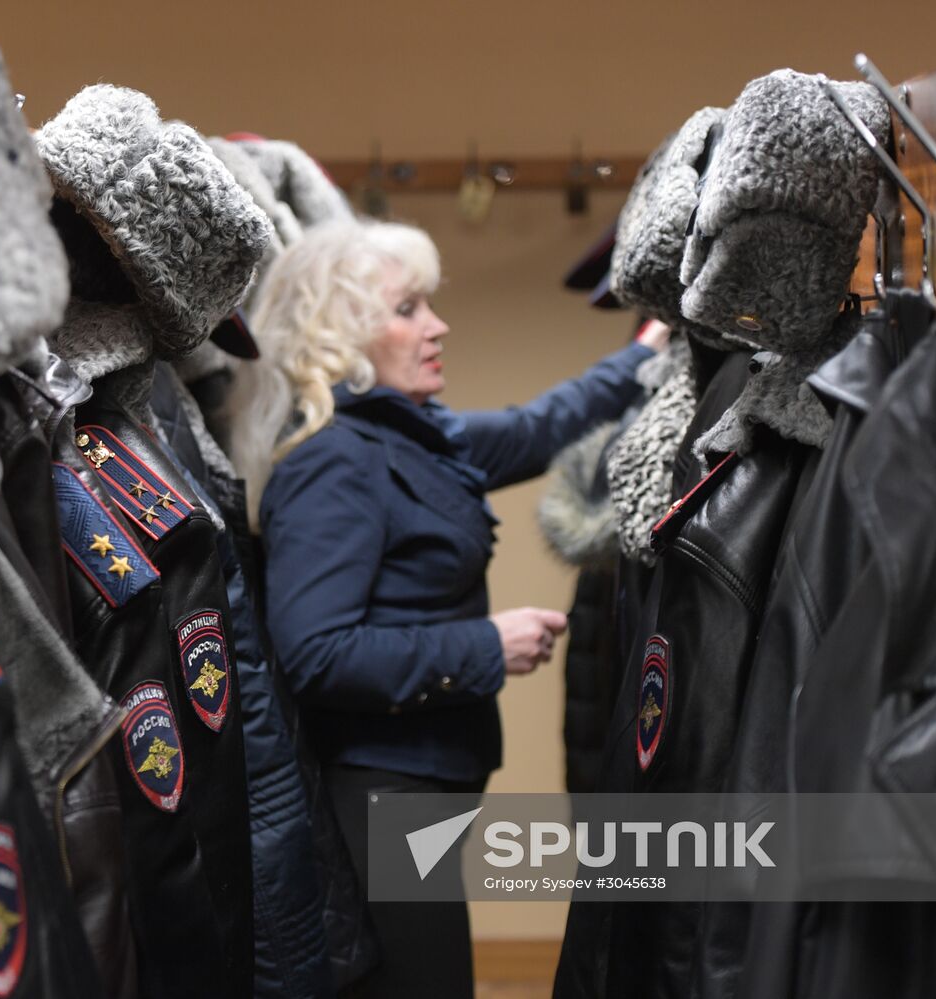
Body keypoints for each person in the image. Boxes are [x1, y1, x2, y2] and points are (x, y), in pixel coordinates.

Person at [229, 217, 665, 997]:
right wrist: (484, 646)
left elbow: (542, 427)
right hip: (380, 795)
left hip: (417, 790)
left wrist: (647, 352)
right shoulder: (334, 460)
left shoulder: (405, 436)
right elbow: (316, 651)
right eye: (408, 309)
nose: (437, 326)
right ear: (340, 333)